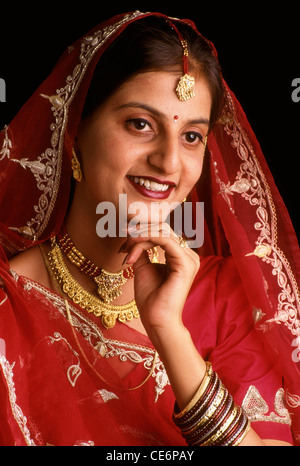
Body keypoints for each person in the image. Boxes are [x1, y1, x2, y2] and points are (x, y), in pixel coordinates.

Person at [0, 11, 299, 446]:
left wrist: (167, 329)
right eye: (140, 124)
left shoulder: (226, 295)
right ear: (74, 132)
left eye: (192, 136)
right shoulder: (9, 310)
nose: (169, 163)